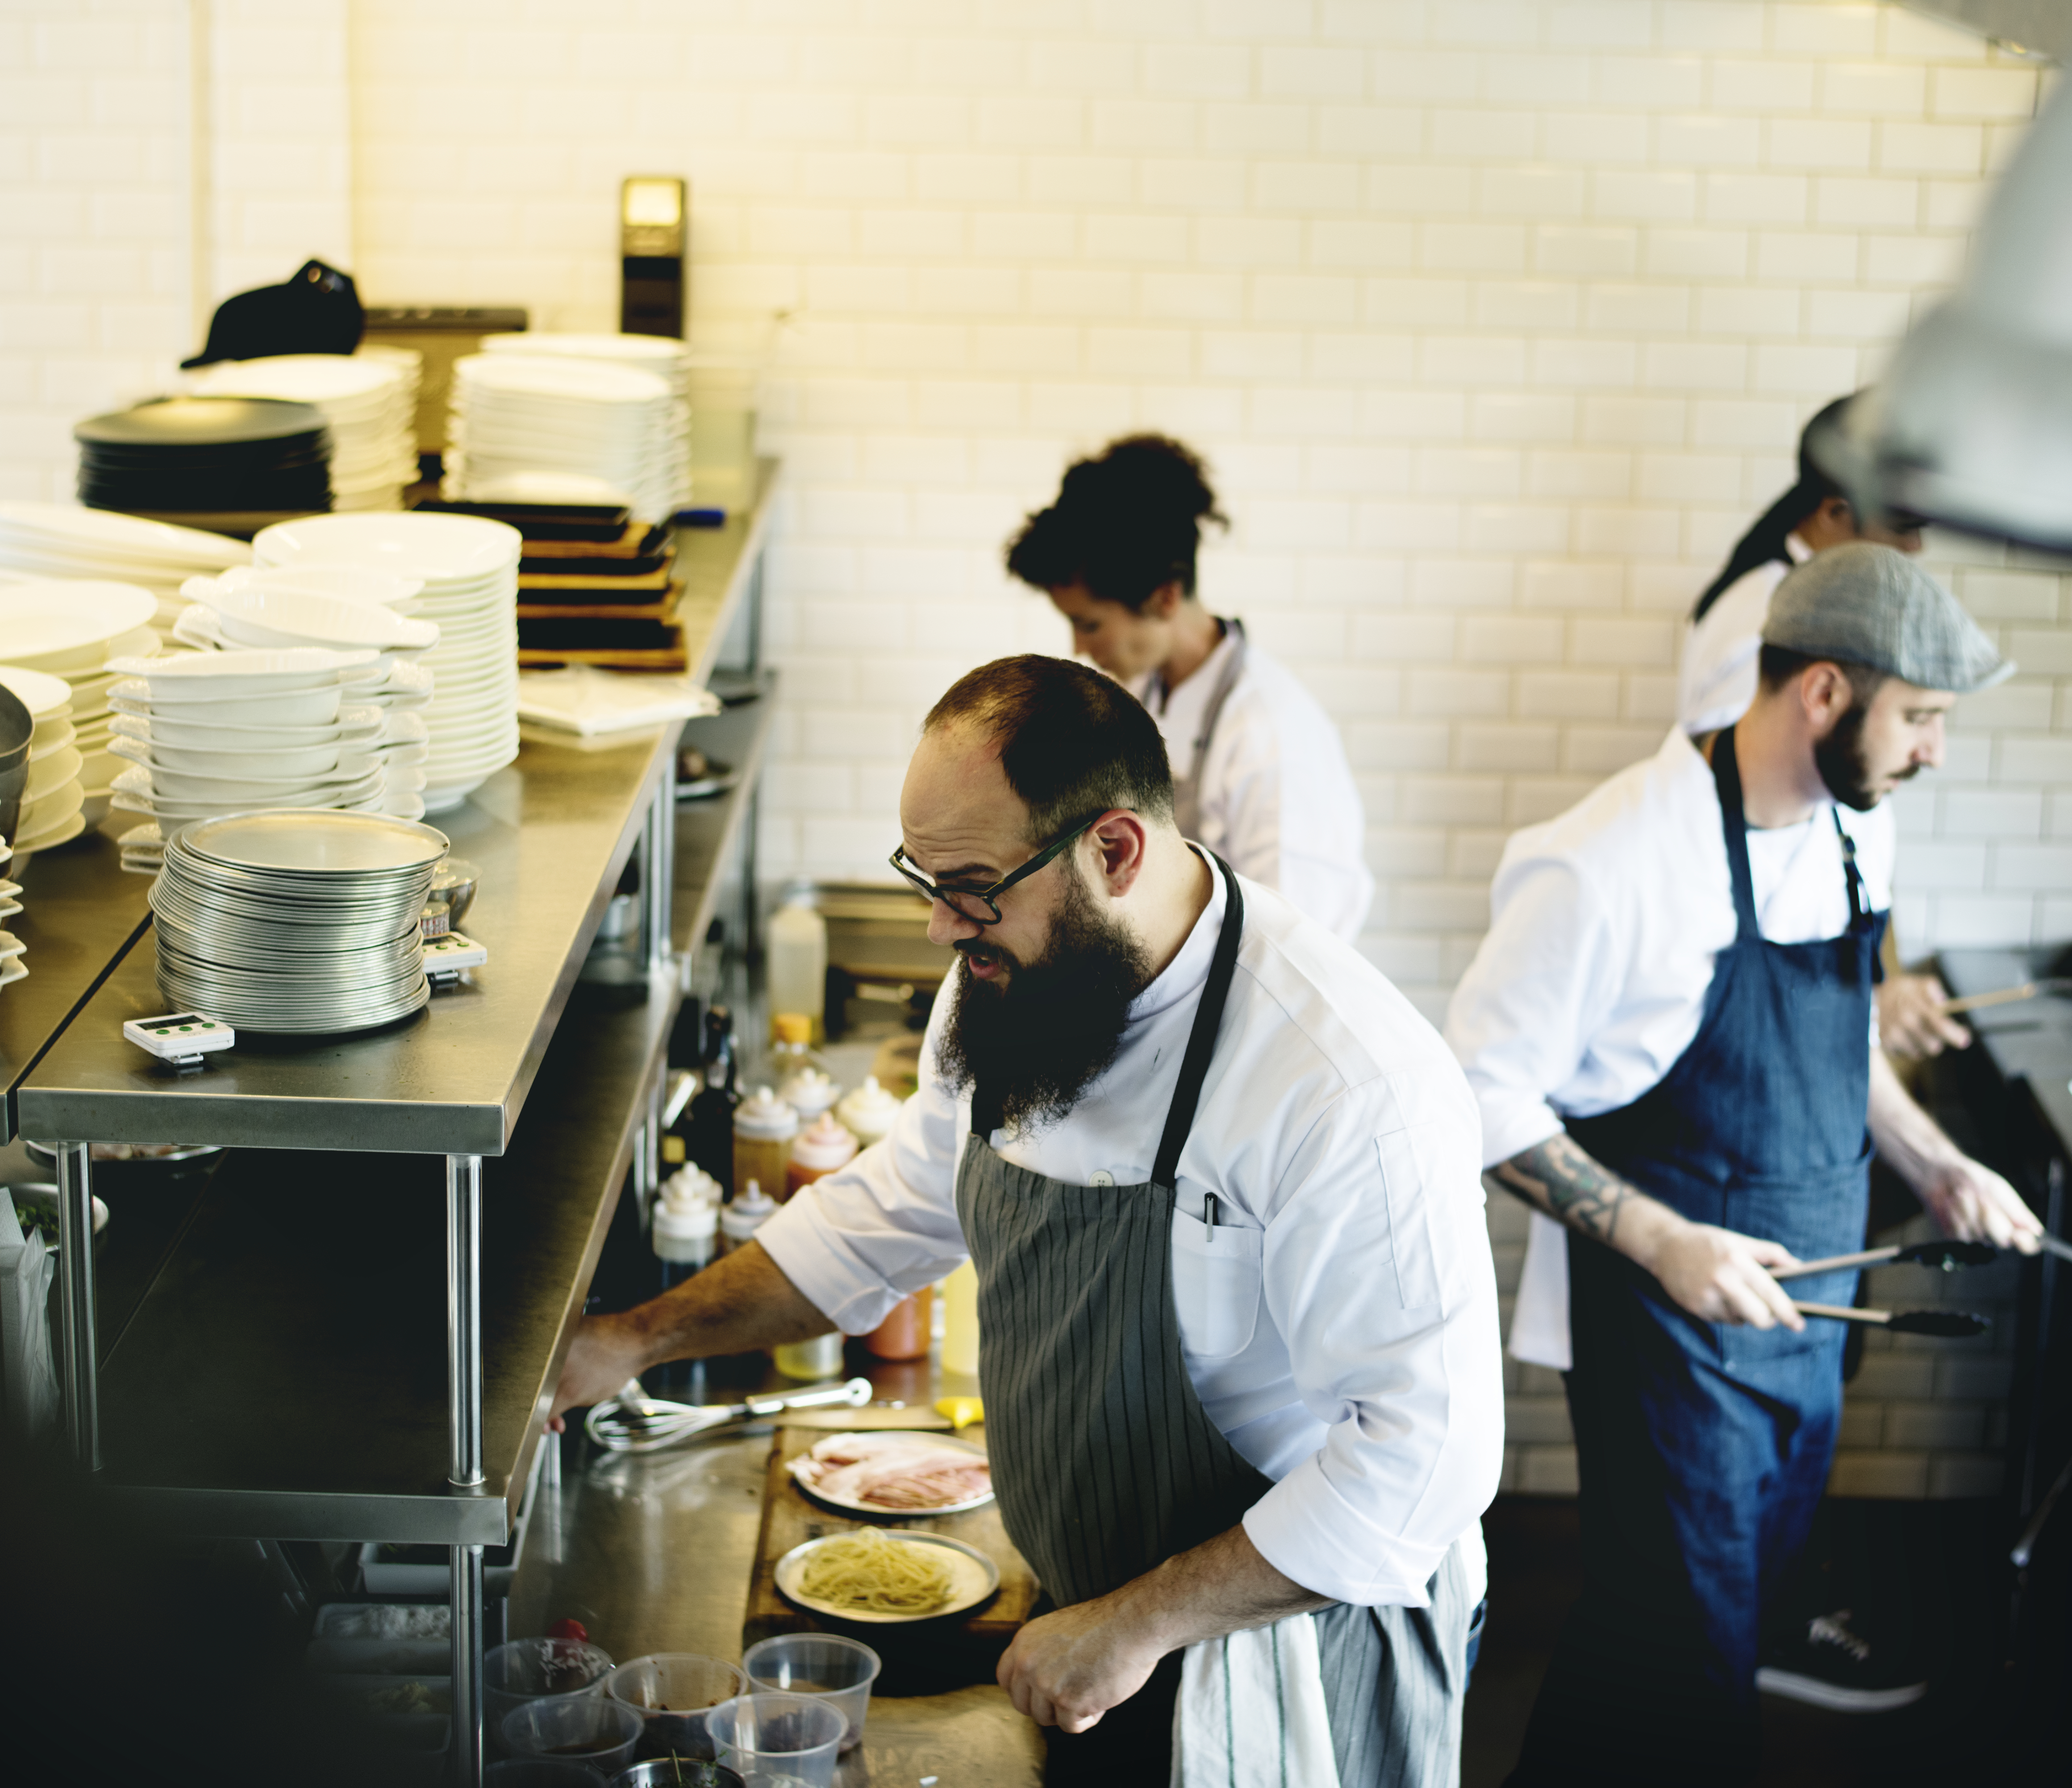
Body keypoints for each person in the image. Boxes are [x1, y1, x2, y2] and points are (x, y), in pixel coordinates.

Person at [552, 655, 1500, 1786]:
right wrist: (636, 1338)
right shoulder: (1015, 978)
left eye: (972, 885)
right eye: (926, 880)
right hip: (1090, 1621)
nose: (944, 929)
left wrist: (1139, 1622)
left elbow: (1422, 1465)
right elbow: (901, 1205)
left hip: (1283, 1647)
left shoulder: (1344, 1085)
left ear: (1113, 850)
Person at [1442, 545, 2045, 1786]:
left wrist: (1938, 1163)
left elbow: (1840, 1047)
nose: (1937, 749)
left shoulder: (1854, 836)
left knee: (1676, 1641)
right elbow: (1478, 1093)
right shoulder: (1609, 859)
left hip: (1804, 1321)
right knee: (1692, 1668)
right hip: (1670, 1334)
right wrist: (1667, 1241)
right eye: (1922, 717)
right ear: (1824, 692)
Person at [1684, 393, 1970, 1065]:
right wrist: (1868, 994)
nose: (1916, 547)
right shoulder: (1762, 621)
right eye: (1903, 525)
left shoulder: (1811, 601)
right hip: (1769, 978)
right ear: (1835, 513)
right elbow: (1758, 819)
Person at [1005, 434, 1376, 941]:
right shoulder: (1144, 694)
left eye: (1090, 624)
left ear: (1164, 597)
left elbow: (1296, 943)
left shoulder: (1269, 735)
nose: (1078, 646)